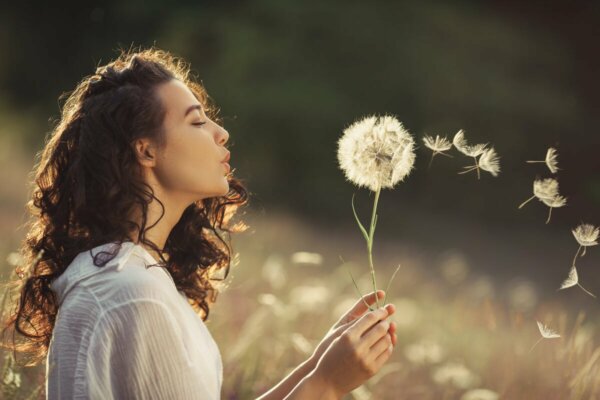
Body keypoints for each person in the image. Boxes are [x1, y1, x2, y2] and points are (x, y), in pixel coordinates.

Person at [1, 47, 397, 399]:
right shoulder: (134, 294)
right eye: (196, 122)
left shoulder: (126, 274)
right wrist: (326, 386)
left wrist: (315, 366)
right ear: (146, 150)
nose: (221, 133)